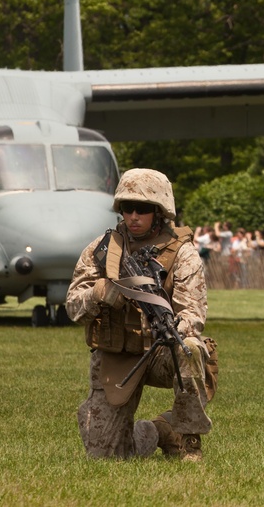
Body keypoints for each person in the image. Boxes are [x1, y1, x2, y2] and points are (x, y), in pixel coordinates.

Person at [65, 168, 214, 461]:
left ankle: (188, 441)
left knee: (192, 349)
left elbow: (193, 312)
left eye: (143, 209)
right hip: (117, 352)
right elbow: (72, 306)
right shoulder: (103, 250)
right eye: (127, 208)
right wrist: (98, 294)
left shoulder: (182, 253)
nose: (133, 216)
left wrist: (177, 328)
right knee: (105, 455)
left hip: (163, 351)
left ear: (160, 213)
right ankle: (159, 431)